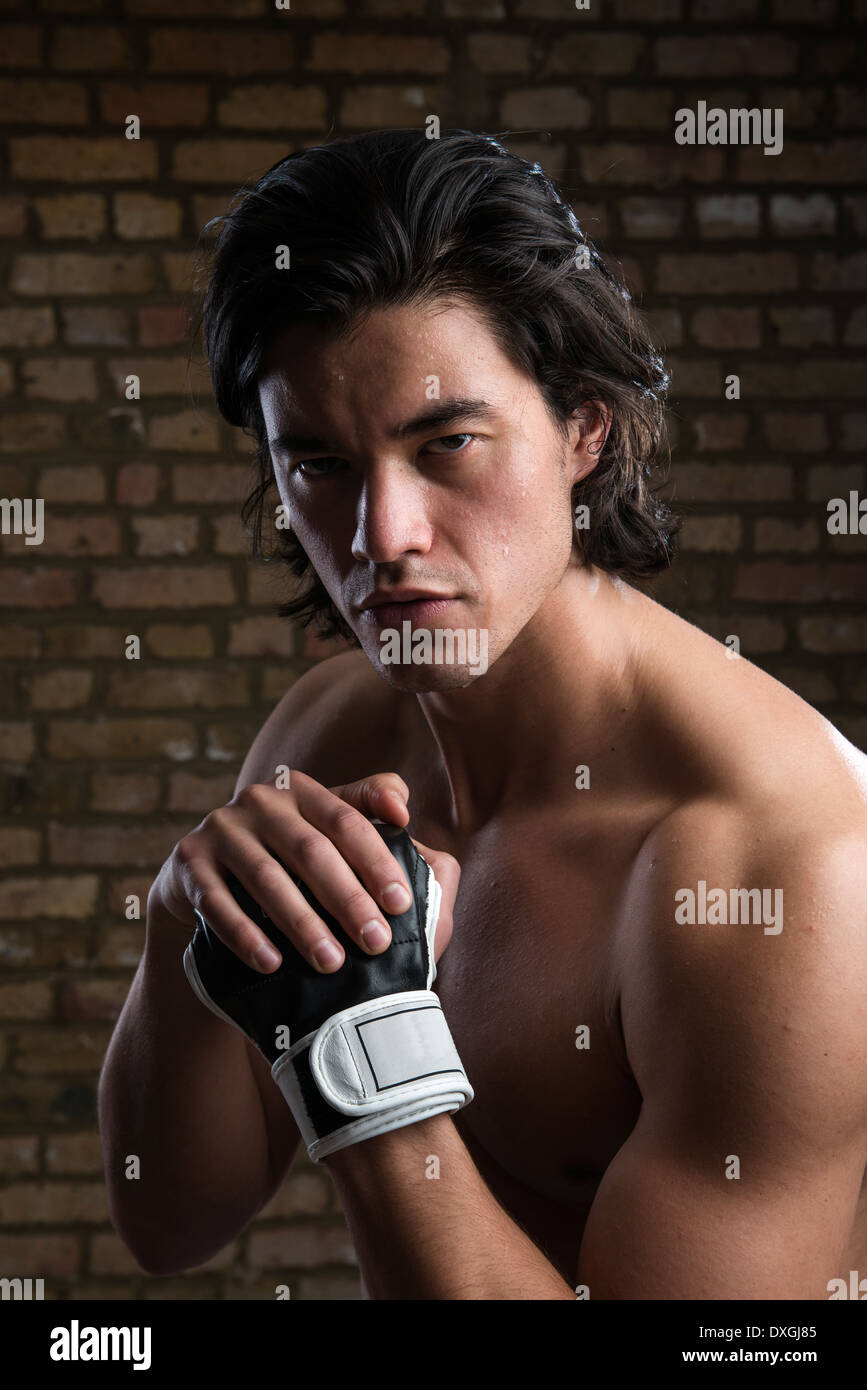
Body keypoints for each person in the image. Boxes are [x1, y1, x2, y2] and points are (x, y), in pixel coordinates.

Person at [99, 130, 867, 1300]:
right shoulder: (328, 737)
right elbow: (170, 1218)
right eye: (321, 464)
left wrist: (369, 1071)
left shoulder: (775, 856)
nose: (383, 535)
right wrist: (180, 920)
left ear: (583, 430)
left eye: (446, 442)